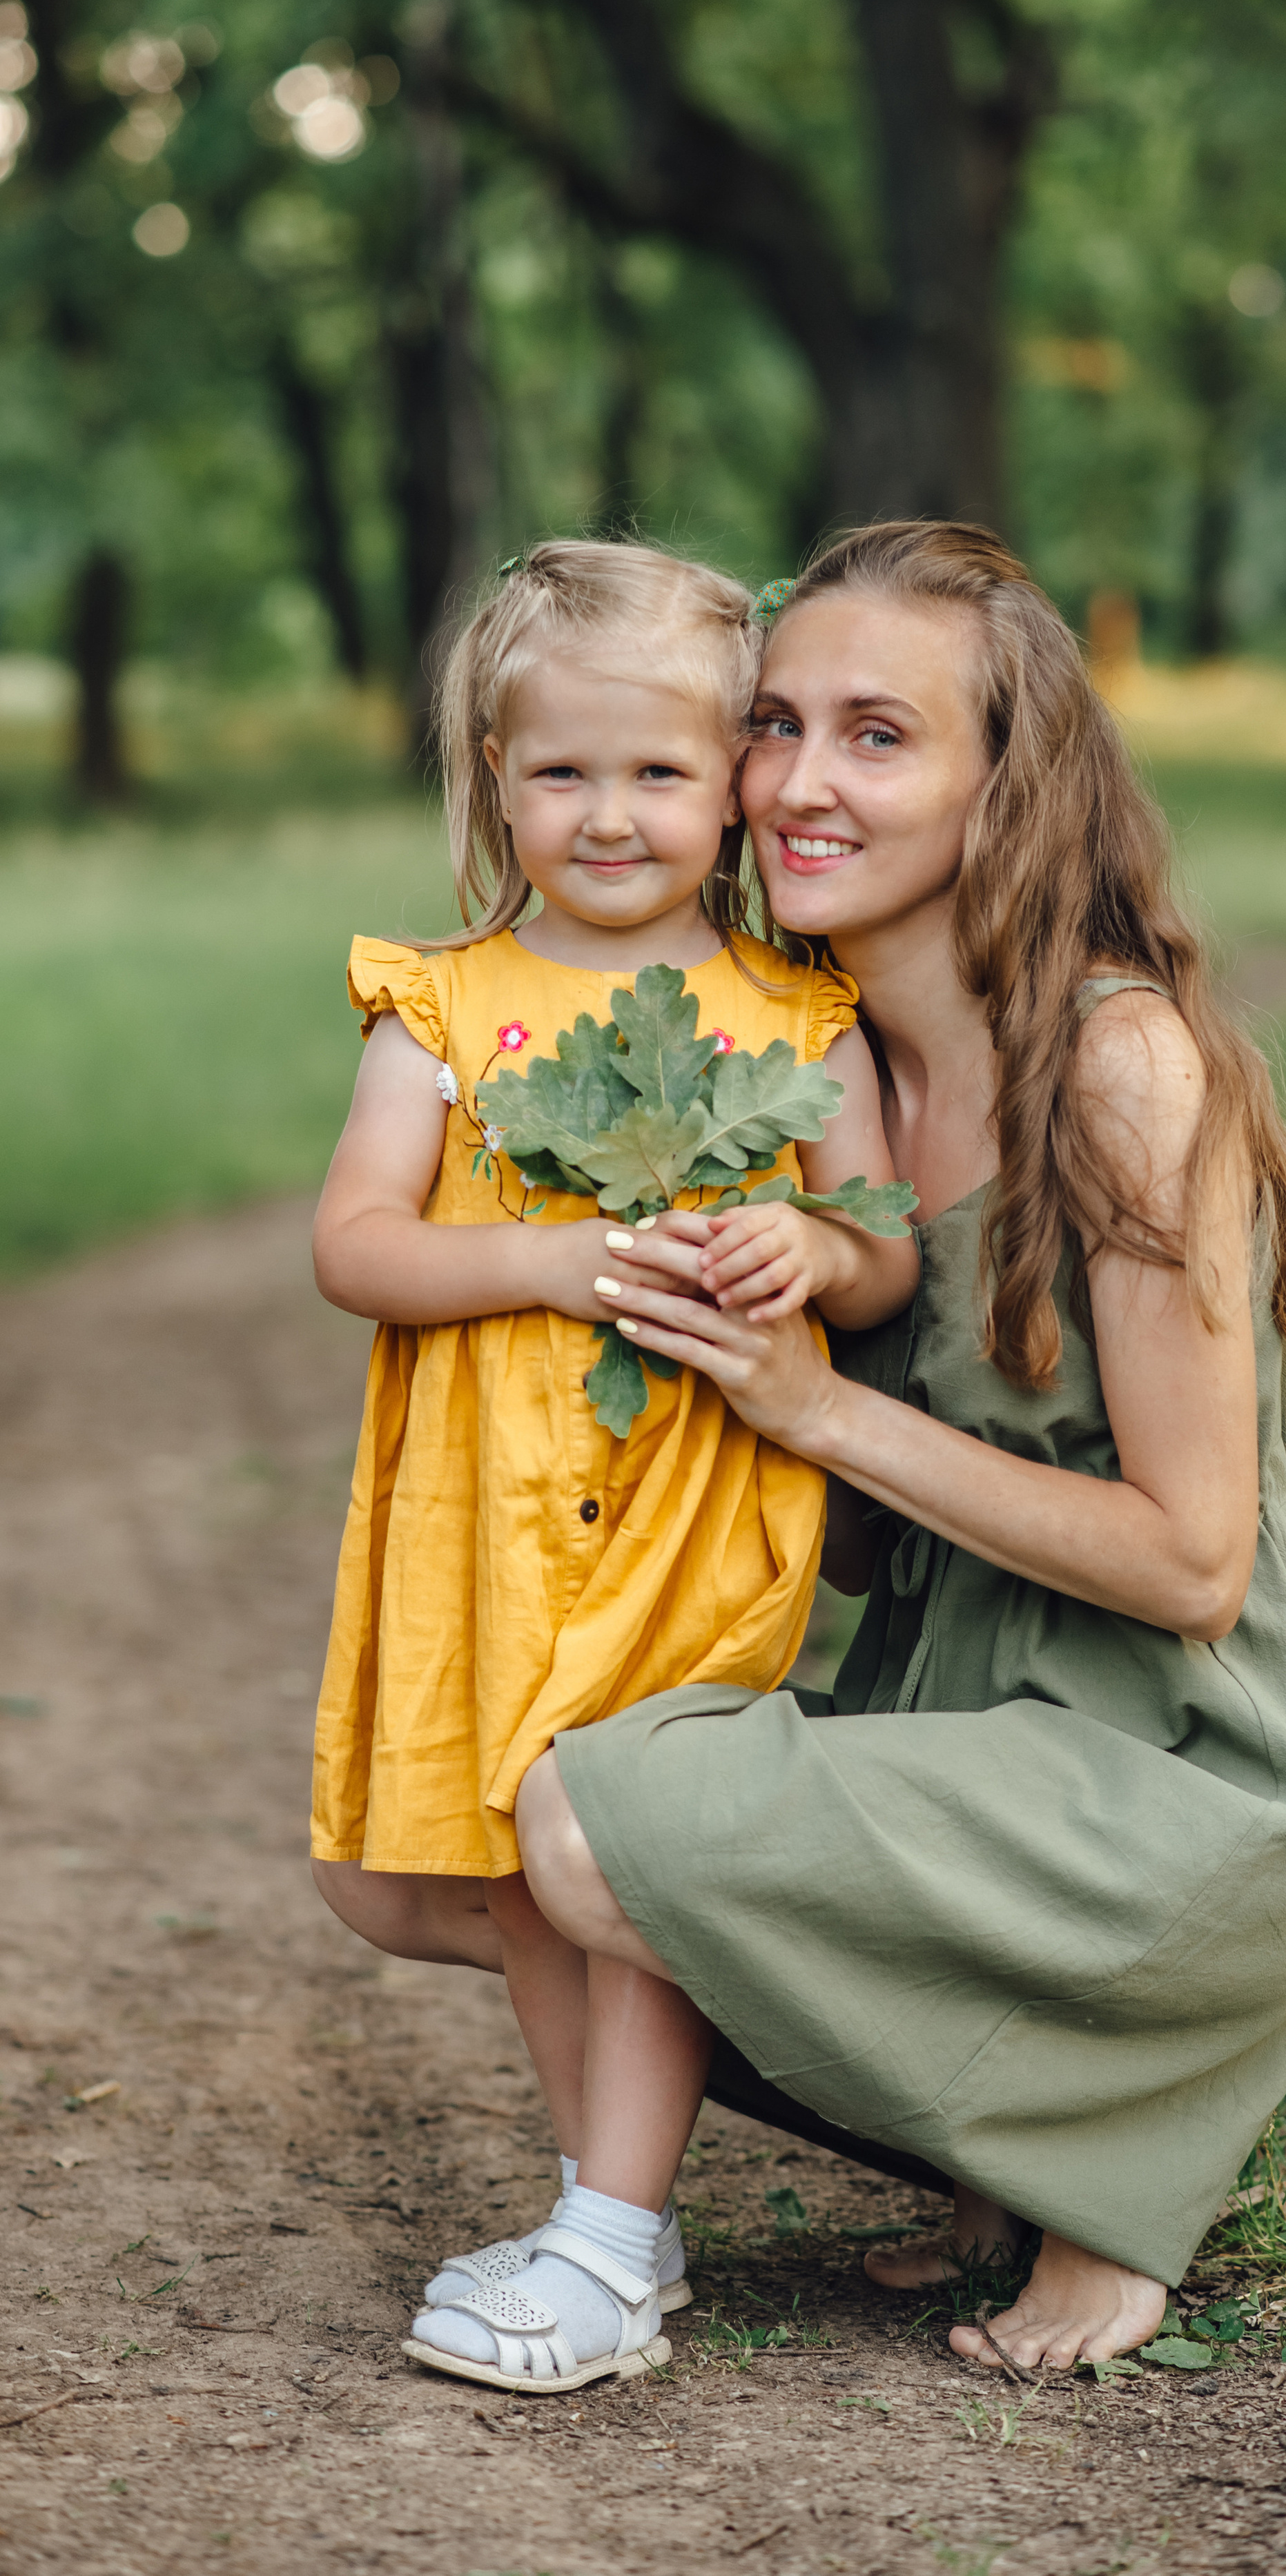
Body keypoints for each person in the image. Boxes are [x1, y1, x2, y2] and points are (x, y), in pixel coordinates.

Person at [514, 518, 1286, 2373]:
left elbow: (1192, 1559)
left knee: (593, 1832)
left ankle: (1106, 2171)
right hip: (959, 1720)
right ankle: (994, 2139)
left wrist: (815, 1404)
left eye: (881, 736)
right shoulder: (815, 1076)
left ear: (1009, 782)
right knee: (467, 1849)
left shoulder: (1122, 1071)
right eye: (778, 724)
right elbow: (809, 1521)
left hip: (1180, 1785)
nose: (803, 782)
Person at [306, 540, 918, 2393]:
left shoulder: (794, 1022)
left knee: (627, 1844)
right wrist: (545, 1258)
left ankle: (610, 2236)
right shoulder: (442, 1005)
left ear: (734, 774)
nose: (612, 812)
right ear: (497, 770)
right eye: (563, 770)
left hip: (690, 1511)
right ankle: (610, 2211)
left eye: (660, 772)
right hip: (482, 1517)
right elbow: (357, 1243)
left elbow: (883, 1242)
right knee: (520, 1866)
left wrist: (812, 1254)